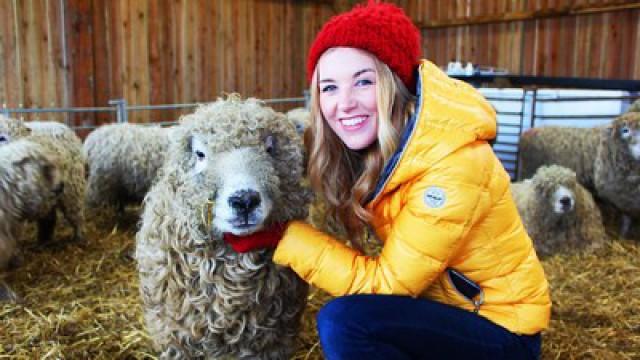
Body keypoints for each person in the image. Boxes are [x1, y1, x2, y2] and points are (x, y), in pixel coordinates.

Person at [224, 1, 551, 359]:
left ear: (395, 85)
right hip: (450, 309)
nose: (343, 103)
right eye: (329, 88)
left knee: (346, 322)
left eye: (363, 81)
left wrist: (284, 237)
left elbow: (388, 285)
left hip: (504, 330)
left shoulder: (450, 165)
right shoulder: (387, 147)